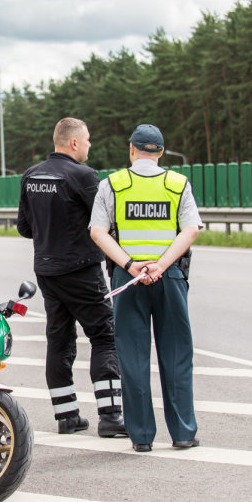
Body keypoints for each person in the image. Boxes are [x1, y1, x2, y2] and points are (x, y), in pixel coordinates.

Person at [89, 123, 202, 452]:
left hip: (129, 279)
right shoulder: (177, 183)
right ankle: (182, 433)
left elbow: (98, 232)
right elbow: (191, 229)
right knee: (177, 354)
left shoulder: (112, 184)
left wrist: (129, 265)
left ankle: (141, 437)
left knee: (133, 358)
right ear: (161, 153)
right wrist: (162, 265)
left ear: (131, 149)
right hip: (169, 277)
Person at [17, 117, 126, 438]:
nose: (90, 145)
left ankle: (67, 416)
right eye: (88, 140)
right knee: (104, 336)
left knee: (60, 340)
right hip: (81, 270)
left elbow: (24, 227)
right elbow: (106, 224)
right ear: (74, 143)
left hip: (47, 271)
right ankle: (110, 416)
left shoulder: (31, 175)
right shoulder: (84, 175)